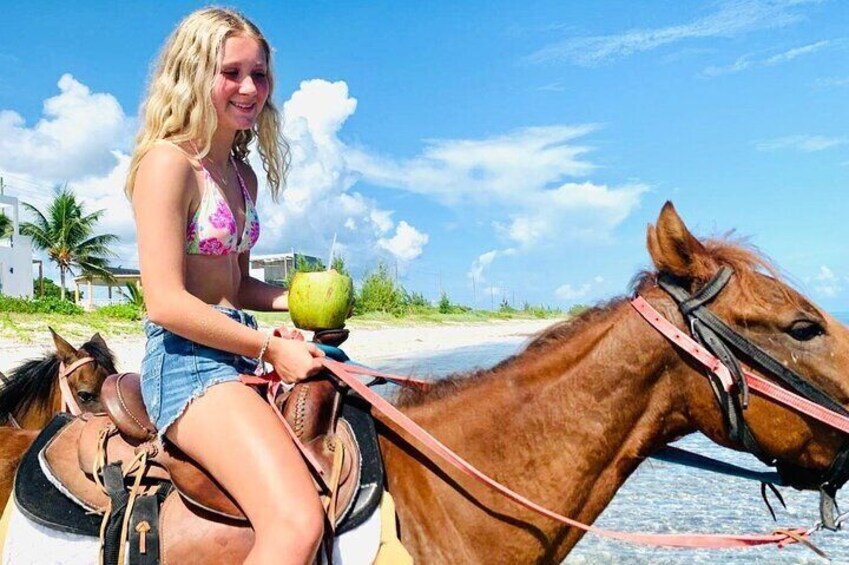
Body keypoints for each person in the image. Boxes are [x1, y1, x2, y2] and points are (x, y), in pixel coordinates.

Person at [125, 7, 325, 564]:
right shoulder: (167, 165)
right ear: (193, 73)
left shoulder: (242, 176)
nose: (249, 88)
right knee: (295, 523)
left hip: (235, 352)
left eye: (259, 75)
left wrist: (298, 300)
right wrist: (269, 348)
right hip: (188, 366)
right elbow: (164, 302)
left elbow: (236, 287)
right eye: (231, 72)